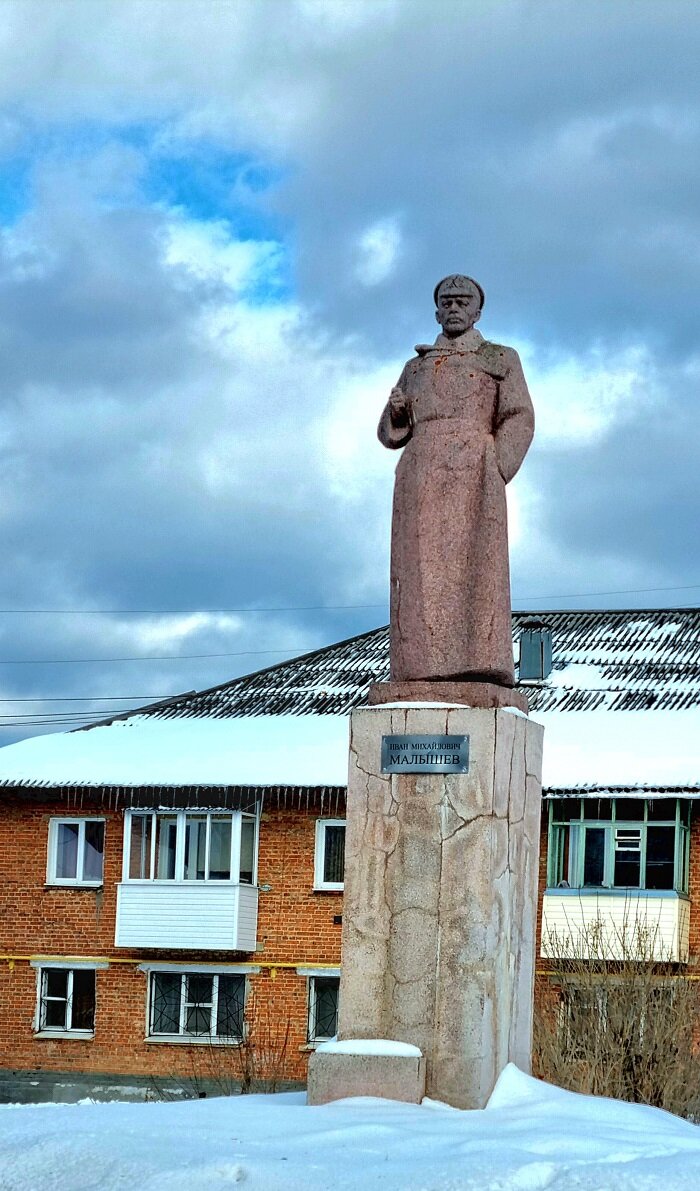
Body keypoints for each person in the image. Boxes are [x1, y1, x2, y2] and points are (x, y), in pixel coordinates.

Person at [377, 274, 534, 686]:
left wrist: (497, 464)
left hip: (475, 471)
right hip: (422, 471)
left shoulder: (500, 358)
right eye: (446, 302)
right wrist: (397, 412)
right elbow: (391, 433)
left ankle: (480, 659)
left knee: (478, 568)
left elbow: (519, 416)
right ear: (436, 310)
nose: (453, 308)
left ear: (477, 311)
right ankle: (419, 666)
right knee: (419, 570)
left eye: (462, 302)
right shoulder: (416, 366)